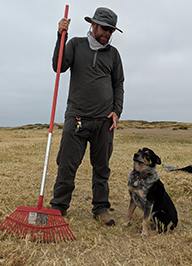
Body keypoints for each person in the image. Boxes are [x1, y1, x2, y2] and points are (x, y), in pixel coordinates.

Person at [50, 7, 124, 226]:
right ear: (93, 25)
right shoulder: (75, 44)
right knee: (66, 163)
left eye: (111, 30)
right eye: (104, 28)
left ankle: (101, 207)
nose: (107, 34)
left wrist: (116, 111)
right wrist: (59, 37)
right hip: (77, 117)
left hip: (104, 120)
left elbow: (118, 84)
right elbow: (58, 66)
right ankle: (59, 206)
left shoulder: (113, 54)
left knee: (102, 167)